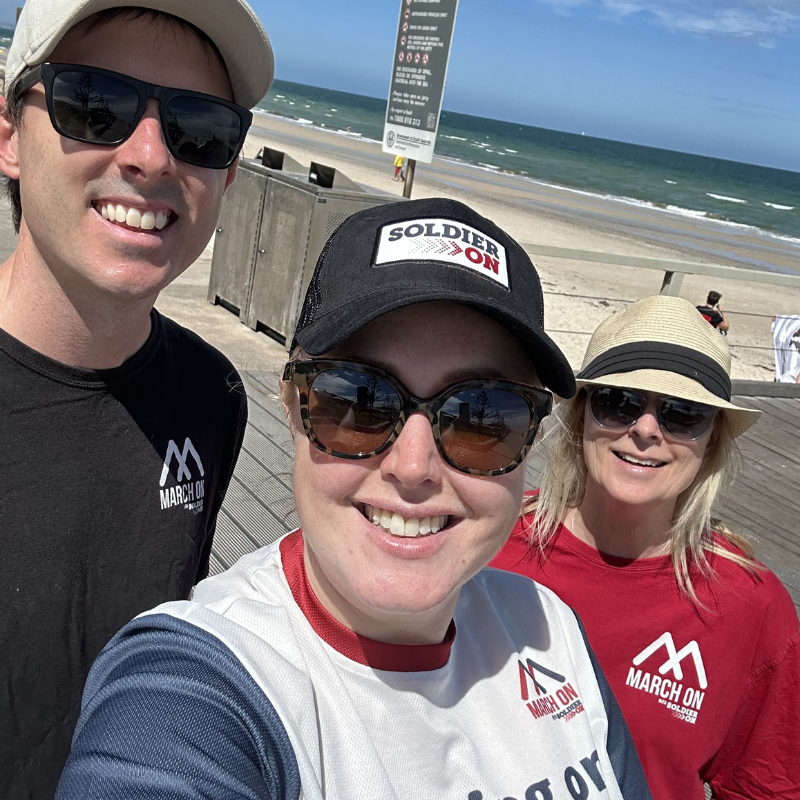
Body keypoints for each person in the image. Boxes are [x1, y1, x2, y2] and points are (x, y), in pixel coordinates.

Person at [56, 199, 652, 800]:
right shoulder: (202, 684)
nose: (413, 468)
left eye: (482, 416)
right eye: (357, 401)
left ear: (531, 438)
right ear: (293, 407)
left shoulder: (550, 628)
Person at [0, 1, 274, 796]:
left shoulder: (212, 394)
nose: (152, 157)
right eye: (95, 104)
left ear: (226, 173)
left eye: (201, 128)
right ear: (10, 136)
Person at [492, 296, 800, 800]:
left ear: (711, 440)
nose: (646, 429)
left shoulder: (750, 604)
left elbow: (765, 787)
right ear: (582, 414)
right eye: (620, 401)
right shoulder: (490, 541)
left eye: (683, 413)